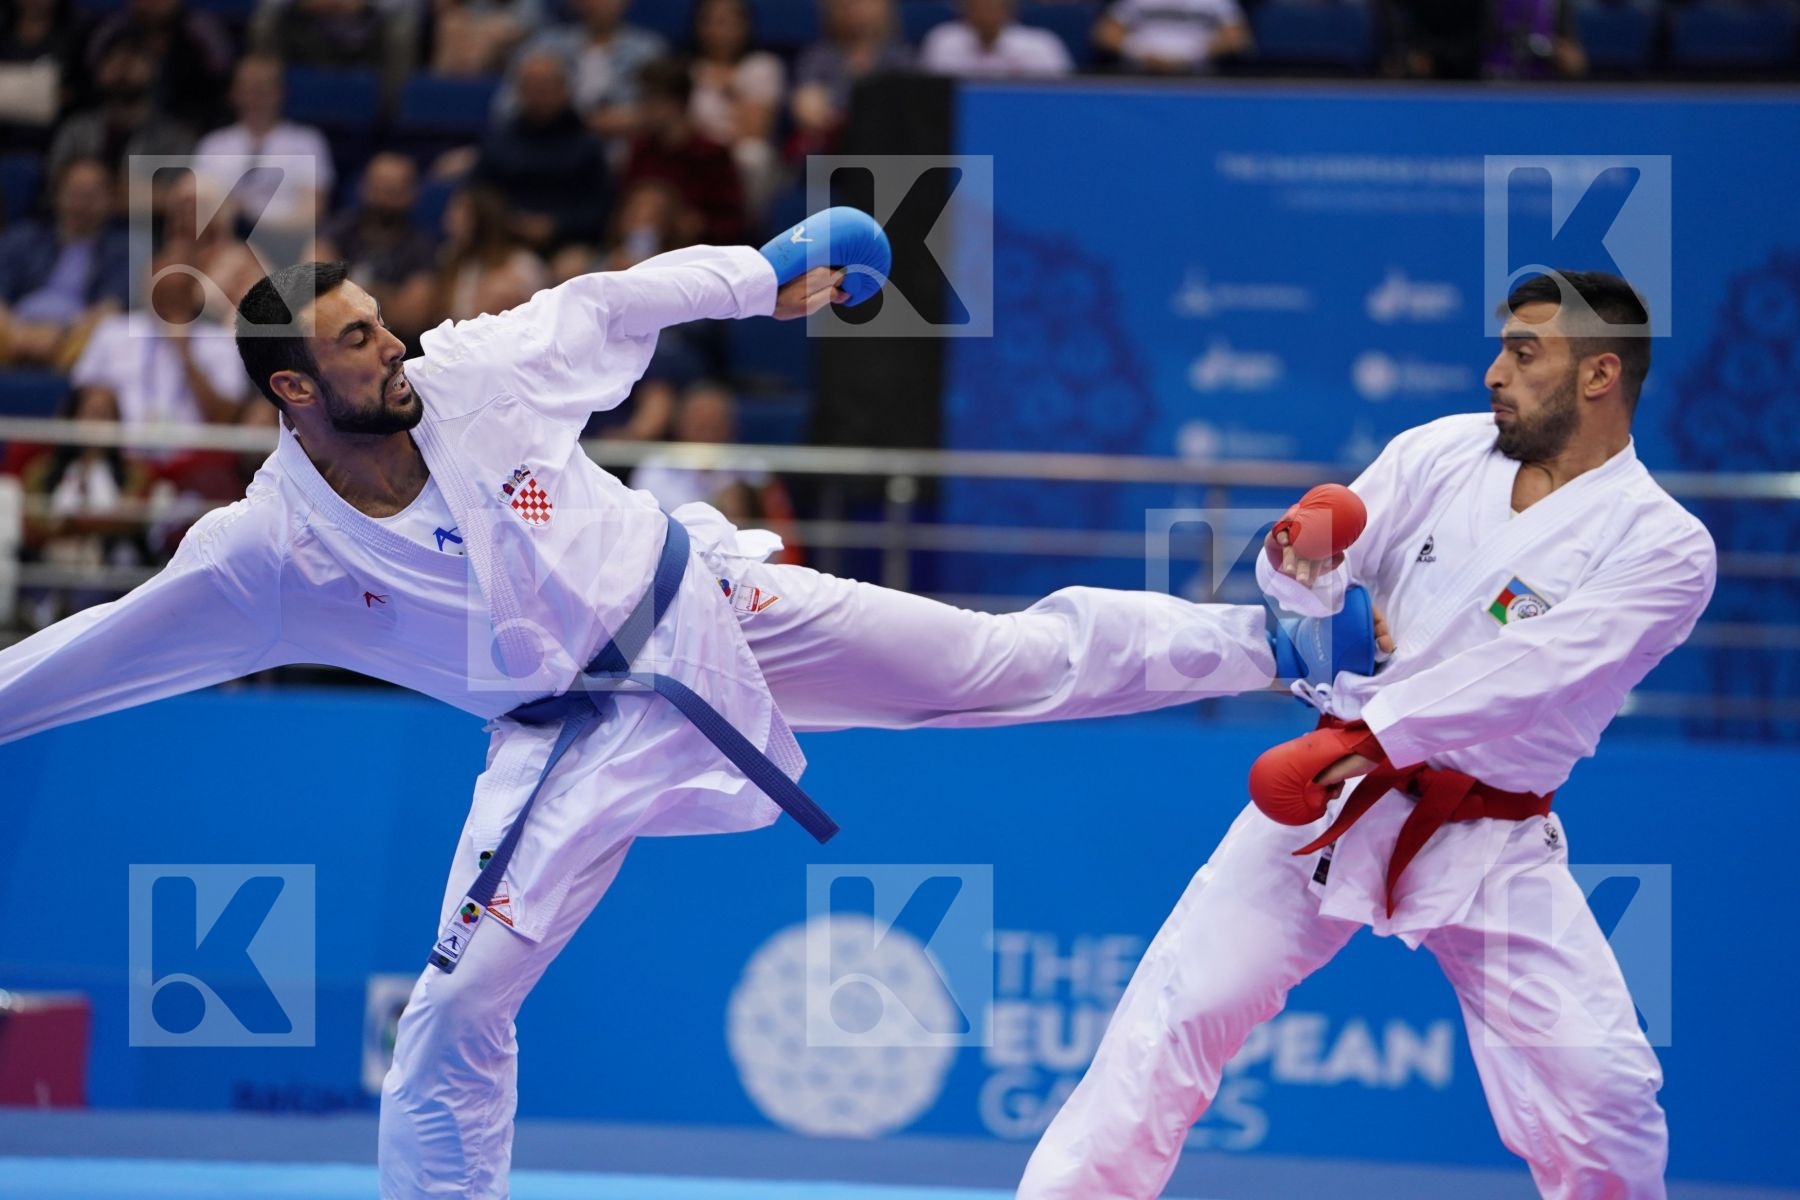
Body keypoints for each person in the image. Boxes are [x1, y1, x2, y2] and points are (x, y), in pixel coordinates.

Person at [0, 208, 1372, 1200]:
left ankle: (1277, 641)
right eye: (358, 341)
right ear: (294, 387)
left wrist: (765, 272)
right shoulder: (268, 552)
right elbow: (97, 648)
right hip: (564, 742)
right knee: (455, 1011)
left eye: (383, 318)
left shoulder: (473, 377)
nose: (395, 344)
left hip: (709, 609)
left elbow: (610, 303)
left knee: (996, 664)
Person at [1019, 270, 1715, 1199]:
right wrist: (1303, 567)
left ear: (1600, 375)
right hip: (1333, 799)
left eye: (1523, 354)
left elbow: (1541, 669)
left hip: (1488, 834)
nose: (1493, 373)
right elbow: (1315, 592)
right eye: (1501, 349)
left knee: (1604, 1089)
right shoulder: (1440, 451)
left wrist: (1377, 735)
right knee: (1180, 1009)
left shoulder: (1664, 545)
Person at [0, 156, 127, 369]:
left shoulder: (123, 250)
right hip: (14, 332)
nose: (81, 204)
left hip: (74, 338)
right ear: (58, 195)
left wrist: (61, 333)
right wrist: (18, 333)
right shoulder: (22, 238)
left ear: (110, 200)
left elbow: (111, 307)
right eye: (74, 193)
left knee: (107, 333)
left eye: (92, 195)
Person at [920, 0, 1074, 78]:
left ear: (1008, 9)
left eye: (992, 6)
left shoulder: (1041, 46)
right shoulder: (942, 41)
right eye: (977, 7)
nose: (985, 14)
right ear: (965, 10)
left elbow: (1060, 96)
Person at [1093, 0, 1249, 74]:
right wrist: (1140, 53)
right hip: (1141, 73)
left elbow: (1236, 37)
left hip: (1197, 77)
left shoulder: (1216, 3)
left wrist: (1191, 56)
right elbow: (1106, 33)